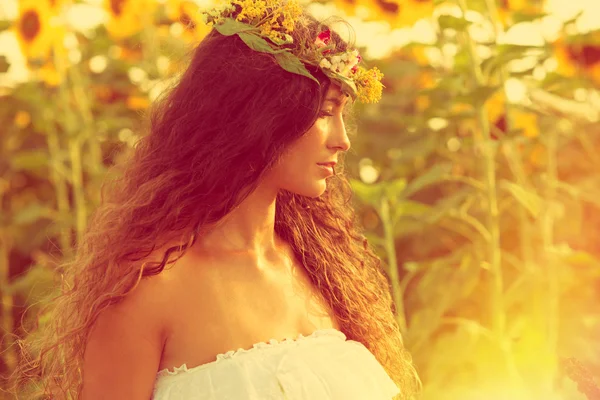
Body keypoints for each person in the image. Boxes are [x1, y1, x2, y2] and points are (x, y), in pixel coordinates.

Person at [7, 0, 422, 399]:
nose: (343, 140)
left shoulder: (322, 267)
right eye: (323, 112)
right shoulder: (146, 290)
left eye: (341, 113)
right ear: (257, 114)